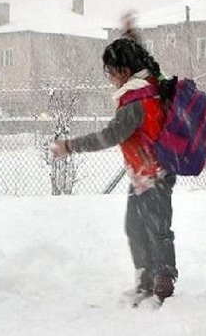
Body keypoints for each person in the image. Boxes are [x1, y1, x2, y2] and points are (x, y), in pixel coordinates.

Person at [50, 36, 179, 303]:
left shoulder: (136, 102)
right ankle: (146, 278)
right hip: (144, 174)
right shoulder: (152, 83)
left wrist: (70, 146)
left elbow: (109, 136)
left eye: (110, 73)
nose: (110, 79)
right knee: (136, 227)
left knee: (156, 230)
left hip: (154, 174)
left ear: (124, 72)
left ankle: (162, 285)